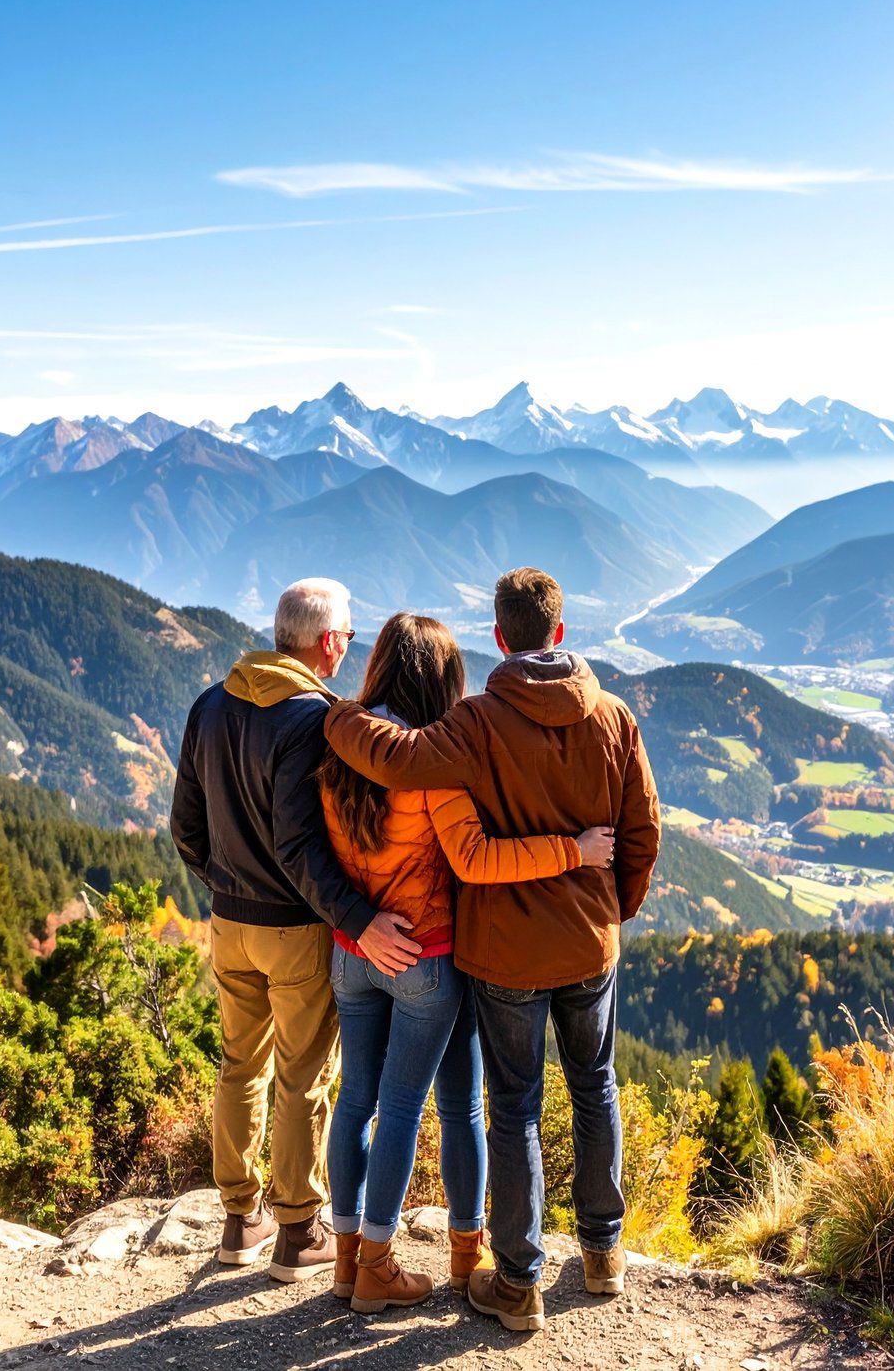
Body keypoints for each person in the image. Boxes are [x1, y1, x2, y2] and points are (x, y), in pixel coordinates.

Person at [324, 567, 661, 1332]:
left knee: (512, 1108)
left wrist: (334, 716)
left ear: (501, 637)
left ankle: (517, 1283)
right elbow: (642, 832)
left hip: (505, 954)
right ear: (561, 633)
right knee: (595, 1086)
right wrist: (609, 910)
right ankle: (603, 1254)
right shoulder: (614, 718)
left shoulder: (477, 722)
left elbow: (396, 759)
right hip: (589, 945)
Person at [170, 578, 420, 1281]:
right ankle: (295, 1232)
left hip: (228, 922)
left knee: (239, 1064)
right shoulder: (313, 718)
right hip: (296, 929)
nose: (347, 642)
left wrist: (223, 883)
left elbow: (184, 825)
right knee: (304, 1077)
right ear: (329, 641)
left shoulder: (211, 704)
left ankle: (237, 1219)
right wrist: (360, 921)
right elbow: (300, 847)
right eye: (346, 632)